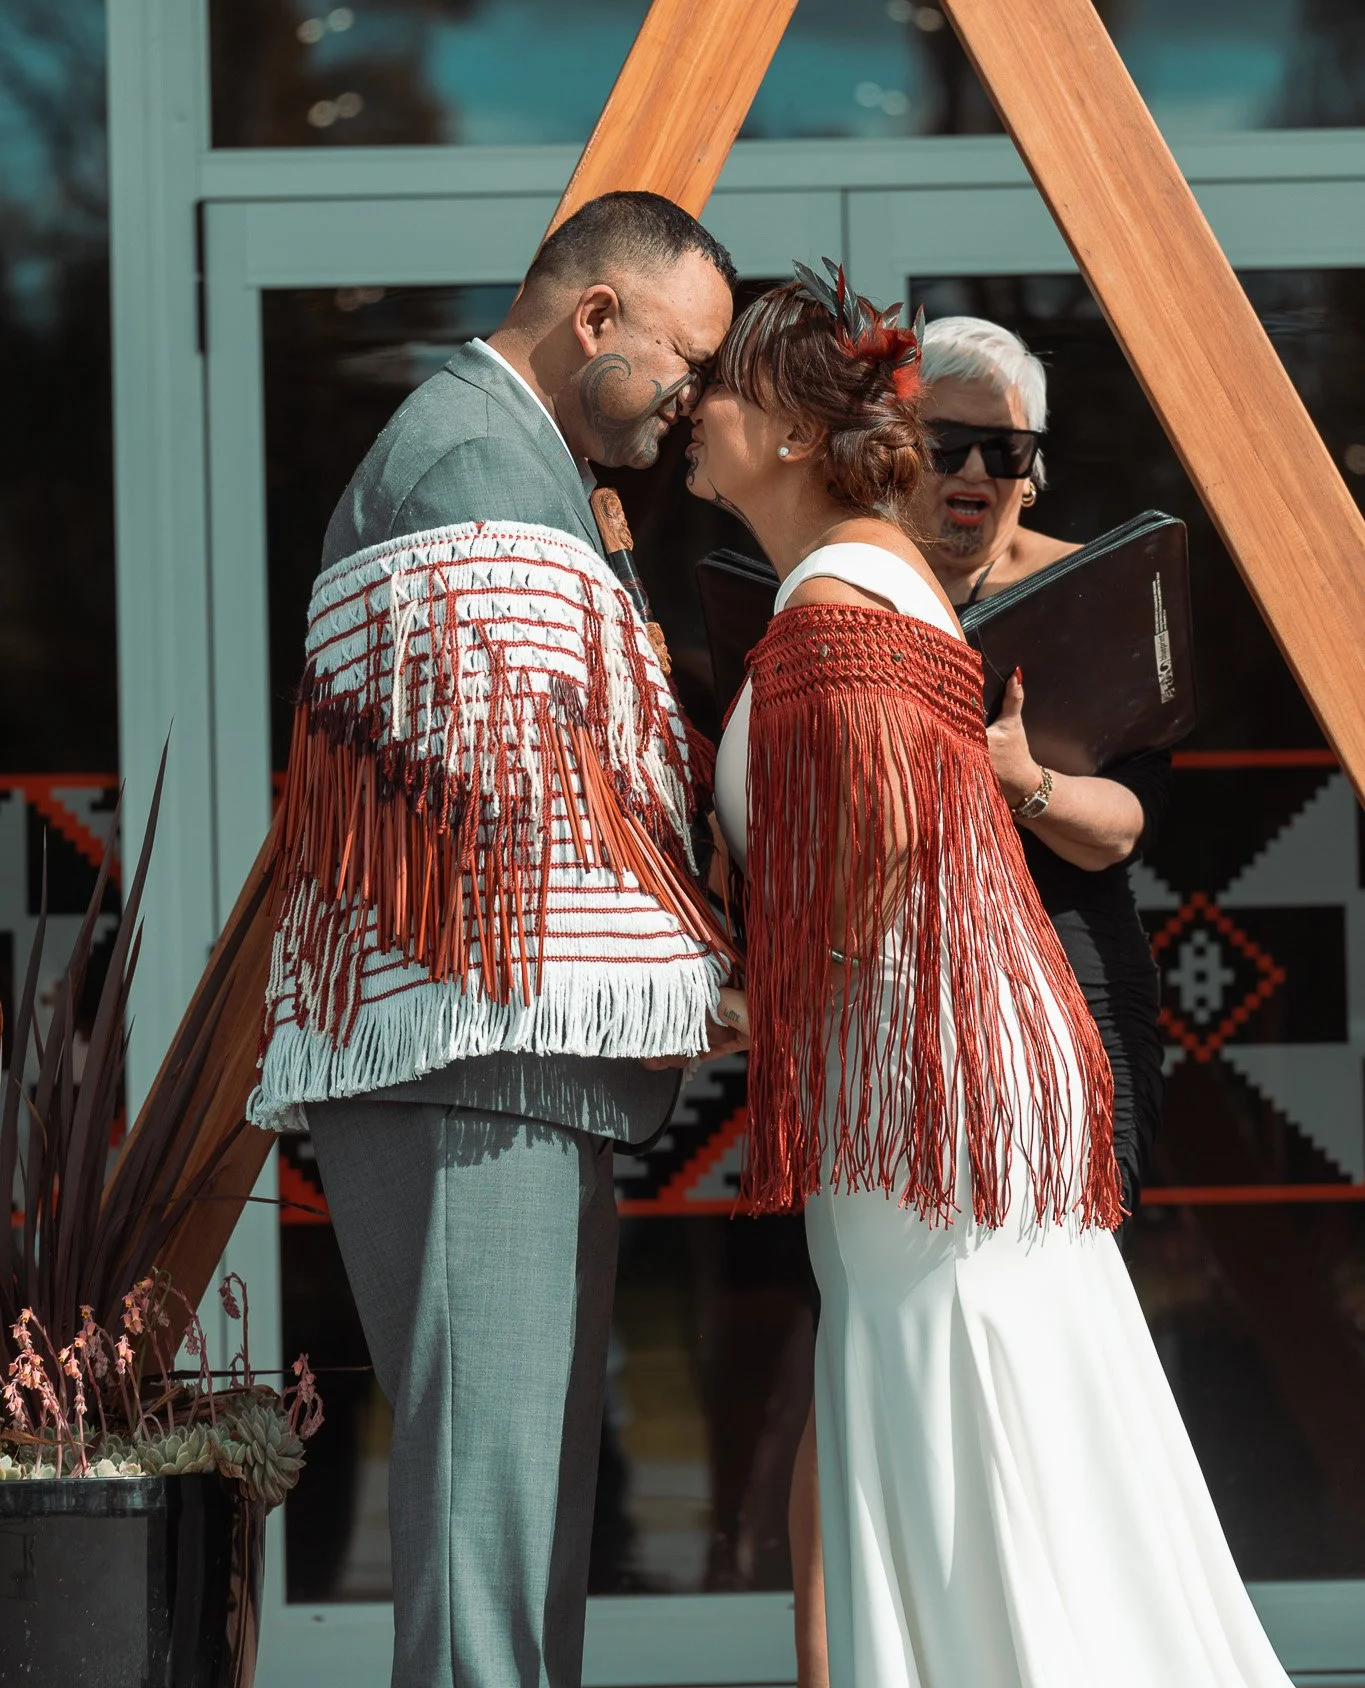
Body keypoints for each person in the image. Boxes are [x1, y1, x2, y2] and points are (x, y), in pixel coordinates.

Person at [685, 264, 1292, 1688]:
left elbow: (888, 841)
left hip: (918, 1093)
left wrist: (744, 999)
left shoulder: (835, 597)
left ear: (783, 429)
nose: (691, 410)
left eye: (716, 386)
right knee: (1009, 1416)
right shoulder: (864, 582)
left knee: (975, 1416)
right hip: (944, 1079)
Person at [249, 191, 744, 1688]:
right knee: (488, 1520)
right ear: (595, 316)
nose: (691, 400)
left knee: (518, 1516)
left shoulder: (510, 455)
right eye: (684, 358)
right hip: (474, 1071)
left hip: (493, 1064)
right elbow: (525, 785)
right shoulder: (471, 456)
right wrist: (699, 954)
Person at [914, 315, 1167, 1214]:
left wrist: (1024, 783)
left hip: (1064, 975)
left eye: (1005, 448)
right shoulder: (843, 587)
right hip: (896, 993)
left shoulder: (1089, 594)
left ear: (1033, 468)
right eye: (945, 443)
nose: (975, 471)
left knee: (1072, 1263)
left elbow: (1122, 828)